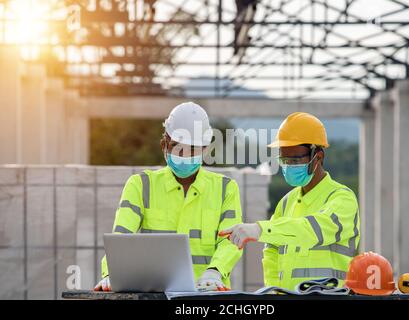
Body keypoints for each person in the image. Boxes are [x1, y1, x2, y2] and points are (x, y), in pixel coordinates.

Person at [95, 102, 243, 292]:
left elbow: (231, 241)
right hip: (154, 293)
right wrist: (111, 274)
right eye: (176, 146)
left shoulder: (225, 188)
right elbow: (121, 239)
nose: (184, 154)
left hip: (207, 294)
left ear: (205, 149)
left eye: (192, 148)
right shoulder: (140, 185)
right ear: (164, 145)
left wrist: (215, 271)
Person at [220, 112, 360, 290]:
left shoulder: (342, 198)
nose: (288, 166)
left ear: (318, 156)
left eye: (294, 159)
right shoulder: (287, 202)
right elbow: (271, 253)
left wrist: (259, 229)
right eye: (284, 160)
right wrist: (273, 291)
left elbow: (311, 231)